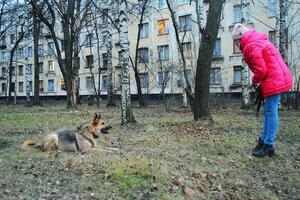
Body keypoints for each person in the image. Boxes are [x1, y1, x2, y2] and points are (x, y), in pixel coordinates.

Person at [232, 23, 293, 158]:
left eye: (236, 41)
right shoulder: (256, 41)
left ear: (239, 39)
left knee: (271, 112)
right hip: (275, 77)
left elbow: (261, 70)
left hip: (273, 79)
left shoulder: (251, 45)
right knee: (269, 112)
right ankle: (264, 141)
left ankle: (268, 145)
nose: (236, 45)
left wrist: (254, 81)